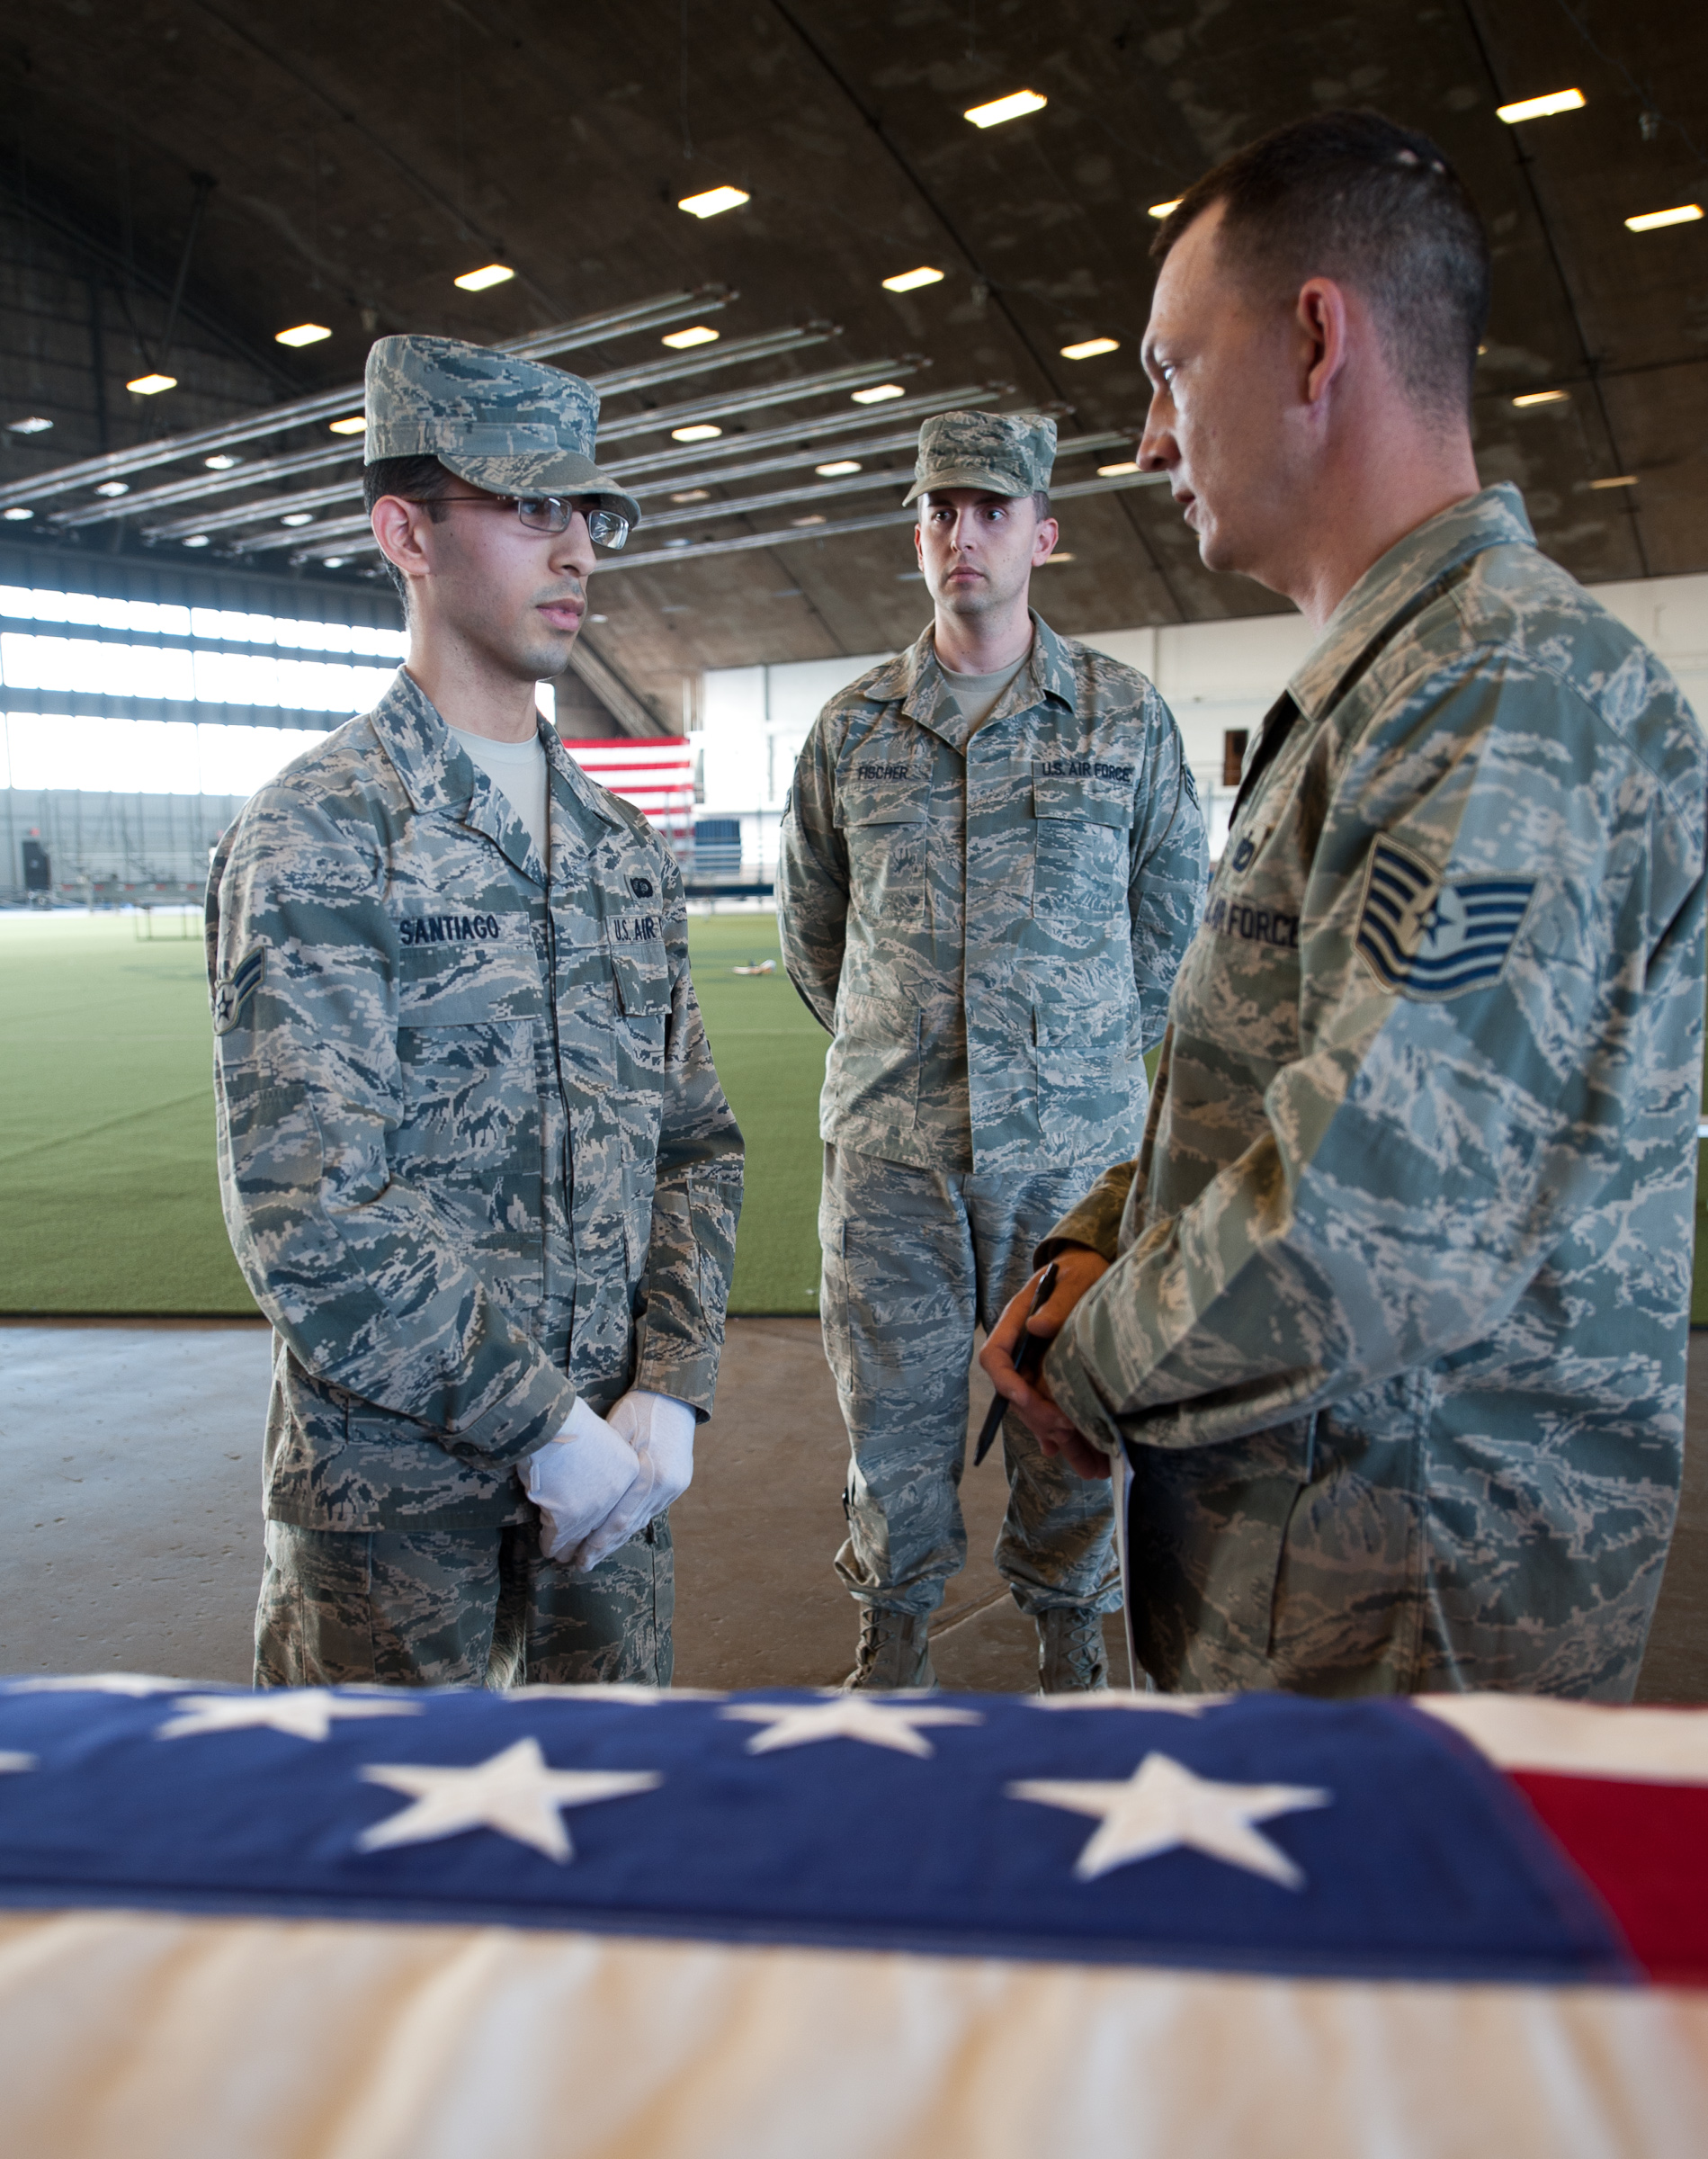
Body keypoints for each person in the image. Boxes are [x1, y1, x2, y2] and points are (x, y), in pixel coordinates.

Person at [981, 110, 1706, 1700]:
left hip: (1403, 1624)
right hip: (1315, 1582)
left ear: (1317, 340)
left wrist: (1086, 1367)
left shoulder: (1500, 693)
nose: (1150, 440)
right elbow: (1284, 1073)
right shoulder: (1404, 688)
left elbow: (1382, 1210)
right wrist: (1109, 1235)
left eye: (1170, 370)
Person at [209, 335, 744, 1689]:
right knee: (370, 1886)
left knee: (607, 1871)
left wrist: (670, 1384)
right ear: (407, 532)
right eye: (528, 506)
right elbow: (311, 1216)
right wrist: (540, 1421)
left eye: (587, 512)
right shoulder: (321, 835)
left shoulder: (619, 848)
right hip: (396, 1517)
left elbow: (696, 1145)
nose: (577, 553)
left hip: (613, 1502)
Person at [779, 410, 1206, 1692]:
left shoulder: (1124, 719)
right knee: (891, 1437)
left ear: (1044, 534)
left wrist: (1071, 1069)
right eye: (939, 511)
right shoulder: (852, 729)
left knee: (1071, 1414)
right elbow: (816, 937)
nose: (961, 534)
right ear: (917, 534)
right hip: (893, 1166)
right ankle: (892, 1649)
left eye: (990, 510)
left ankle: (1073, 1657)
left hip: (1069, 1167)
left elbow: (1168, 927)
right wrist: (897, 1052)